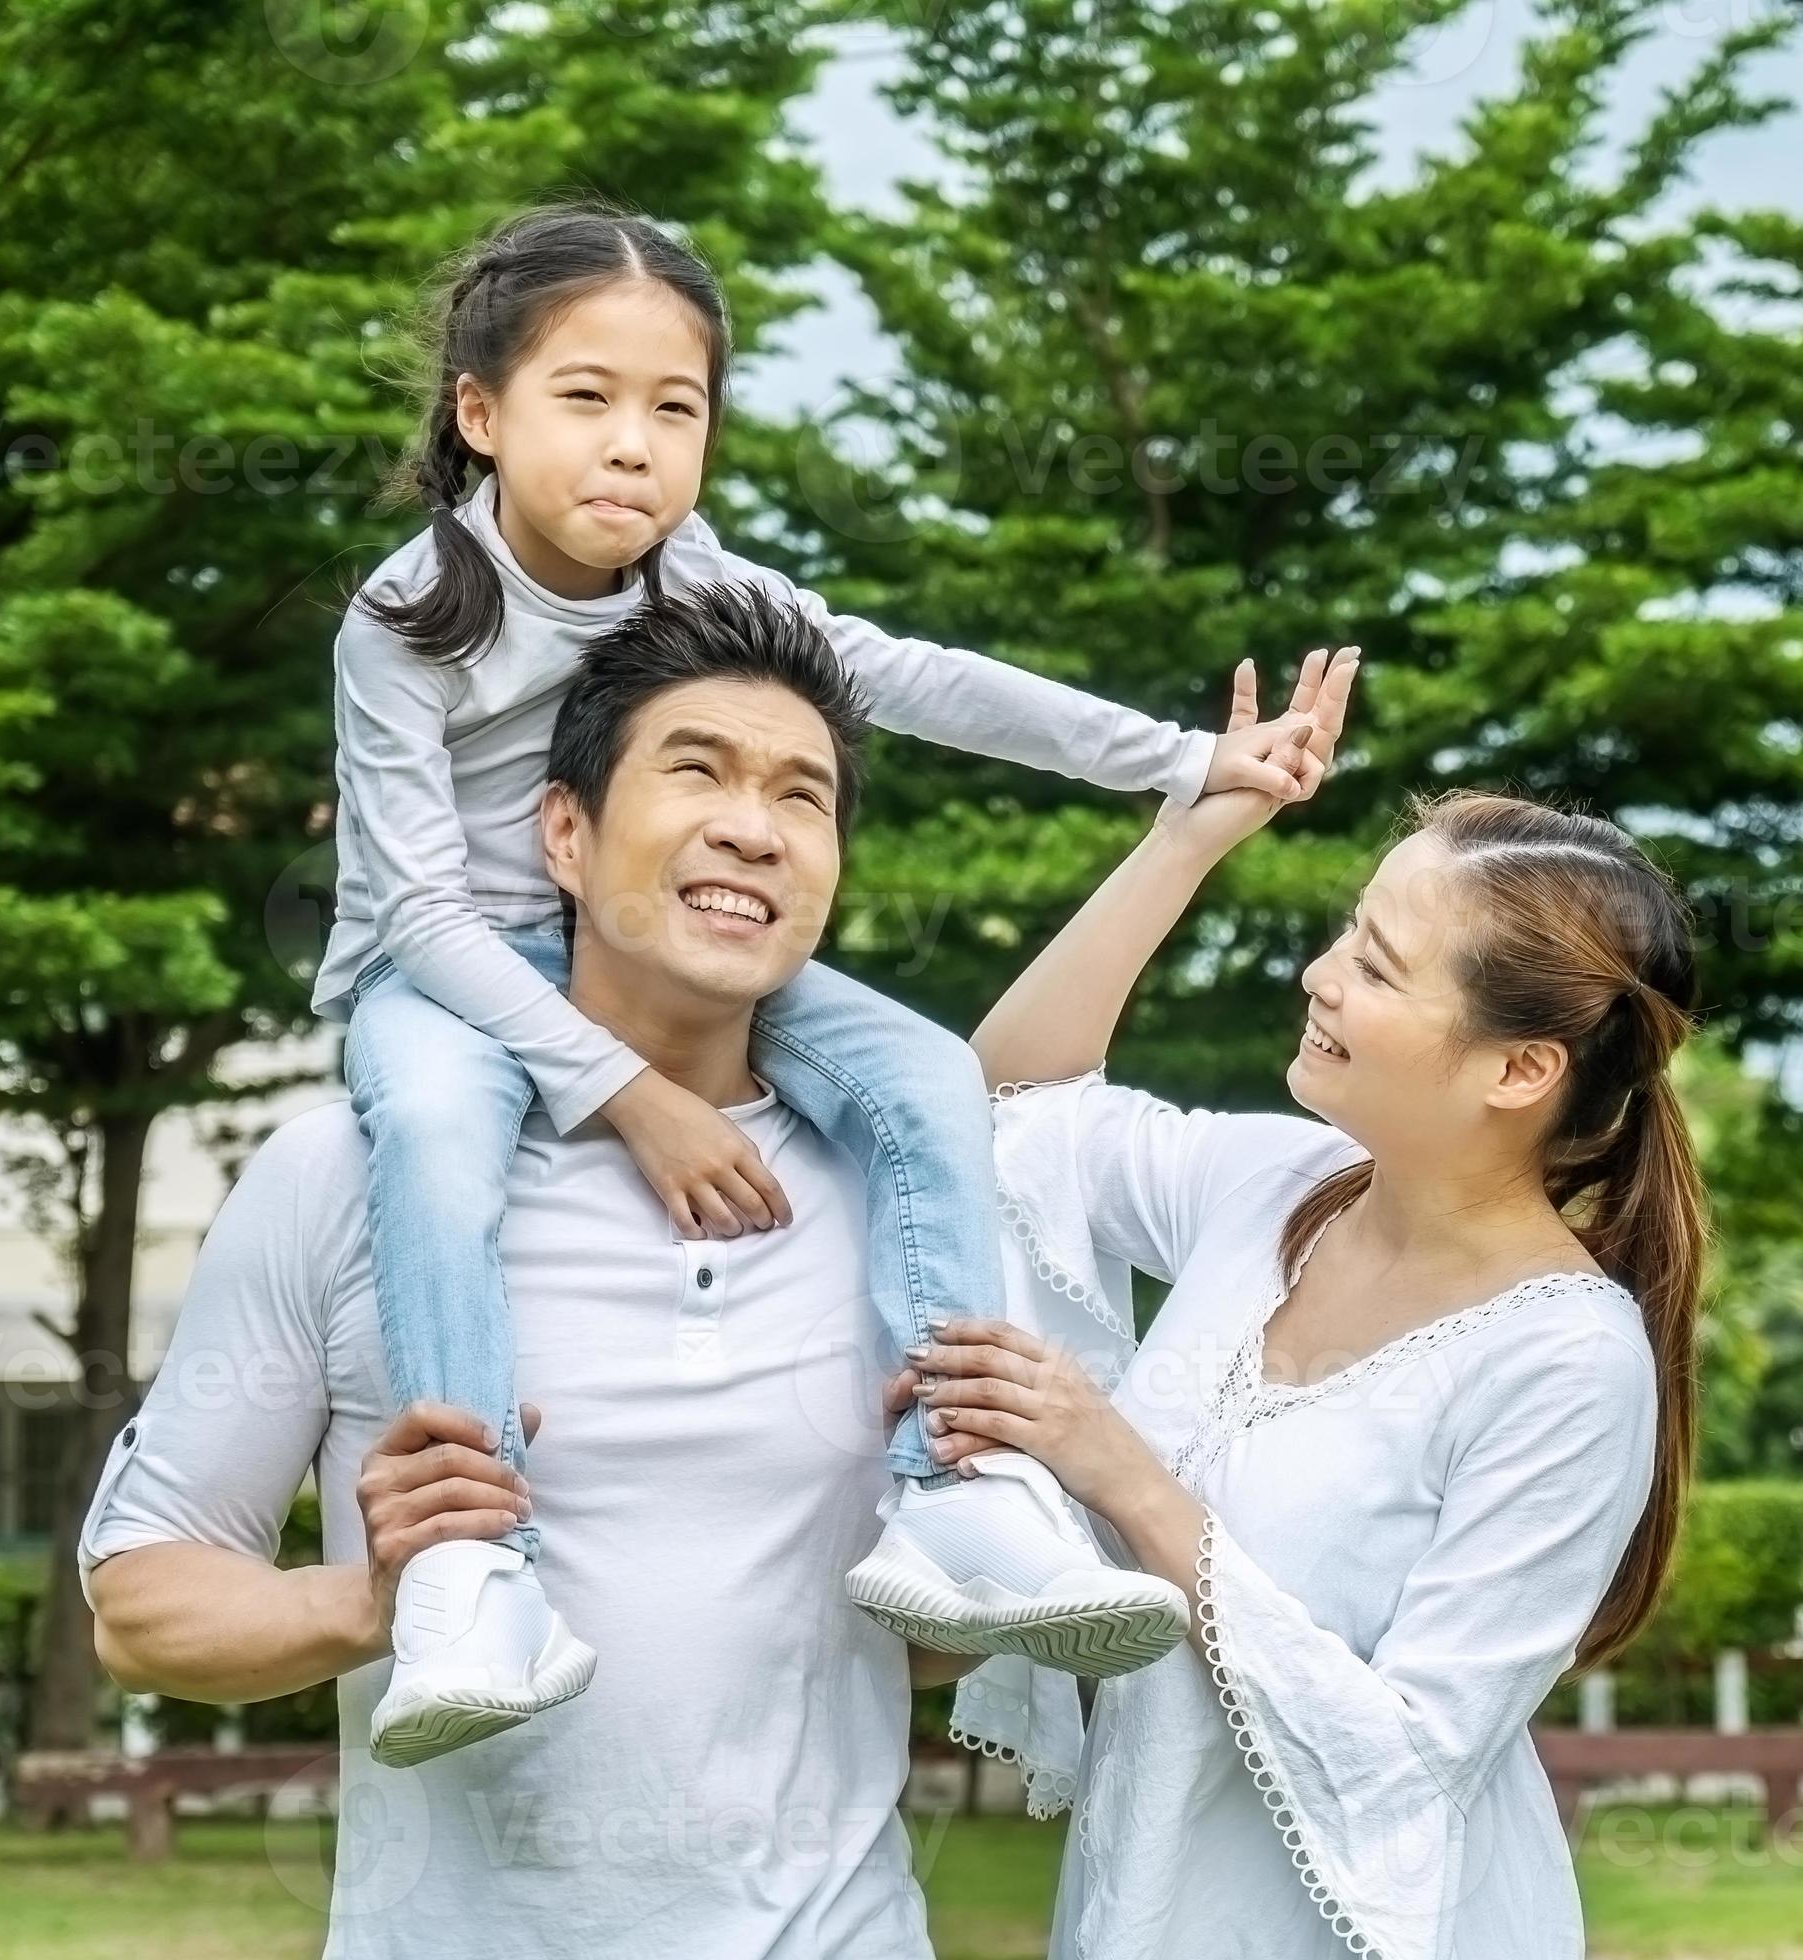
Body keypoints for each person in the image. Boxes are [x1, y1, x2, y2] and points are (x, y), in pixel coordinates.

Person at [81, 593, 1341, 1957]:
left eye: (803, 795)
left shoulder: (916, 1209)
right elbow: (143, 1611)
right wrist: (369, 1600)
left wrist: (997, 1513)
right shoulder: (349, 1173)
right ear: (562, 833)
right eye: (697, 771)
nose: (754, 824)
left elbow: (915, 1641)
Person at [325, 201, 1315, 1763]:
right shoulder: (405, 621)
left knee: (927, 1076)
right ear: (479, 414)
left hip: (669, 949)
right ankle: (473, 1570)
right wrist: (632, 1096)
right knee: (439, 1139)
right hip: (449, 977)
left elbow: (908, 676)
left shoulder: (700, 582)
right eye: (585, 399)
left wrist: (1182, 758)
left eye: (677, 409)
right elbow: (416, 914)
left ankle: (957, 1490)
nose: (633, 448)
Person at [905, 647, 1706, 1959]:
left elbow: (1410, 1762)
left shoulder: (1566, 1364)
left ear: (1519, 1069)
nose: (1321, 976)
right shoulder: (1277, 1184)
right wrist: (1190, 832)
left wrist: (1125, 1477)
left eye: (1380, 969)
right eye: (1349, 932)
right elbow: (1003, 1113)